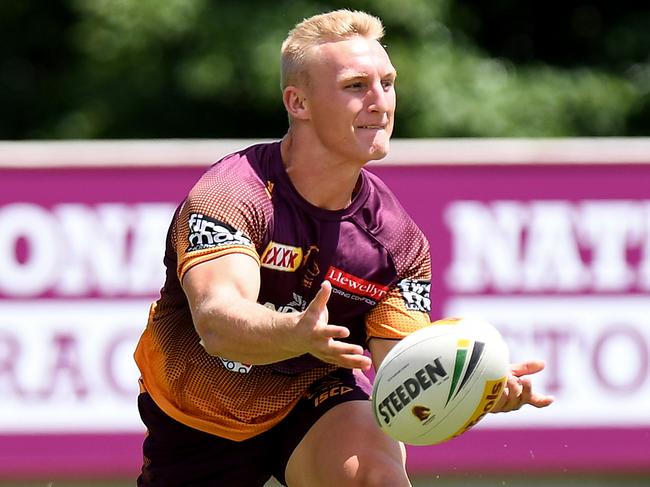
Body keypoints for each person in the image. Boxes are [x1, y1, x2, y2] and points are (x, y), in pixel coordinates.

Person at [134, 9, 554, 487]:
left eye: (388, 83)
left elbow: (402, 363)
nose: (381, 102)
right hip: (196, 410)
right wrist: (292, 332)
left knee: (376, 478)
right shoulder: (232, 194)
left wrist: (476, 386)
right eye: (356, 86)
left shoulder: (398, 240)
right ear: (298, 102)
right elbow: (217, 323)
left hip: (320, 390)